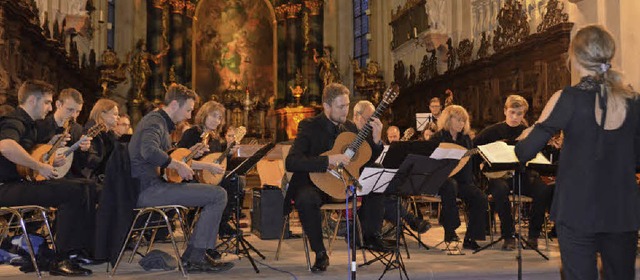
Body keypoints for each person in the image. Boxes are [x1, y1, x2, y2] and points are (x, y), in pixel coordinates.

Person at [515, 25, 640, 280]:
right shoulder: (633, 100)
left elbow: (525, 151)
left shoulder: (567, 98)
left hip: (577, 209)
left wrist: (534, 129)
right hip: (622, 210)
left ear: (575, 57)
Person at [128, 83, 233, 273]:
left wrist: (188, 155)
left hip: (155, 186)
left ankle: (196, 255)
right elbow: (149, 151)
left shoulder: (161, 123)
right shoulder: (155, 122)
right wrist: (177, 164)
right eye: (188, 110)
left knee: (218, 194)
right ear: (175, 105)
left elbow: (166, 157)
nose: (189, 116)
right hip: (149, 190)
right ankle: (196, 256)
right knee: (218, 195)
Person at [285, 84, 385, 272]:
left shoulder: (350, 127)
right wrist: (327, 160)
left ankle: (371, 236)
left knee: (376, 172)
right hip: (316, 185)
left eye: (347, 105)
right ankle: (320, 253)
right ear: (326, 106)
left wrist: (377, 140)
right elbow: (292, 162)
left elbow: (363, 159)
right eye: (341, 106)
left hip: (343, 186)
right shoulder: (309, 126)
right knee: (306, 198)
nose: (345, 111)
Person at [0, 80, 95, 276]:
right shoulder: (14, 120)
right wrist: (38, 166)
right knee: (73, 192)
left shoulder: (32, 126)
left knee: (87, 186)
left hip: (21, 183)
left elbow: (29, 158)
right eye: (47, 102)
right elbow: (6, 146)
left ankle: (76, 251)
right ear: (33, 100)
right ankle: (61, 258)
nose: (50, 107)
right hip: (6, 188)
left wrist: (49, 158)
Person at [474, 94, 552, 250]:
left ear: (524, 114)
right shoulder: (491, 132)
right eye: (512, 112)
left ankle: (533, 236)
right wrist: (482, 165)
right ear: (505, 111)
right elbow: (475, 150)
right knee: (500, 190)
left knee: (543, 190)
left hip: (522, 175)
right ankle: (508, 235)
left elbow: (538, 155)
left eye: (520, 113)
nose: (515, 117)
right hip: (499, 176)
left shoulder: (527, 132)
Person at [430, 105, 487, 249]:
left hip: (463, 180)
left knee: (480, 197)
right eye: (459, 120)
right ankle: (450, 230)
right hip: (441, 181)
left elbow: (469, 164)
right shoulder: (437, 138)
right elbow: (430, 163)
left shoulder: (466, 139)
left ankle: (471, 237)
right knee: (450, 185)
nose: (462, 124)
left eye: (464, 121)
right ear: (449, 120)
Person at [79, 98, 120, 183]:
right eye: (115, 114)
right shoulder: (90, 132)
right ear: (102, 114)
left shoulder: (110, 136)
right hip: (90, 181)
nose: (118, 117)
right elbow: (91, 161)